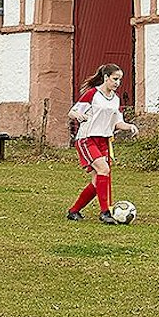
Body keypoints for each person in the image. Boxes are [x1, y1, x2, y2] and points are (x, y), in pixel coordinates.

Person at [66, 63, 138, 223]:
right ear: (106, 78)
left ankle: (74, 211)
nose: (117, 83)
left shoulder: (116, 100)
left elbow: (117, 123)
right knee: (104, 170)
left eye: (119, 80)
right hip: (87, 139)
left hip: (104, 141)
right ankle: (106, 212)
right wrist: (79, 116)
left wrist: (130, 126)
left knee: (97, 180)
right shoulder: (92, 94)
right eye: (115, 79)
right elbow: (72, 112)